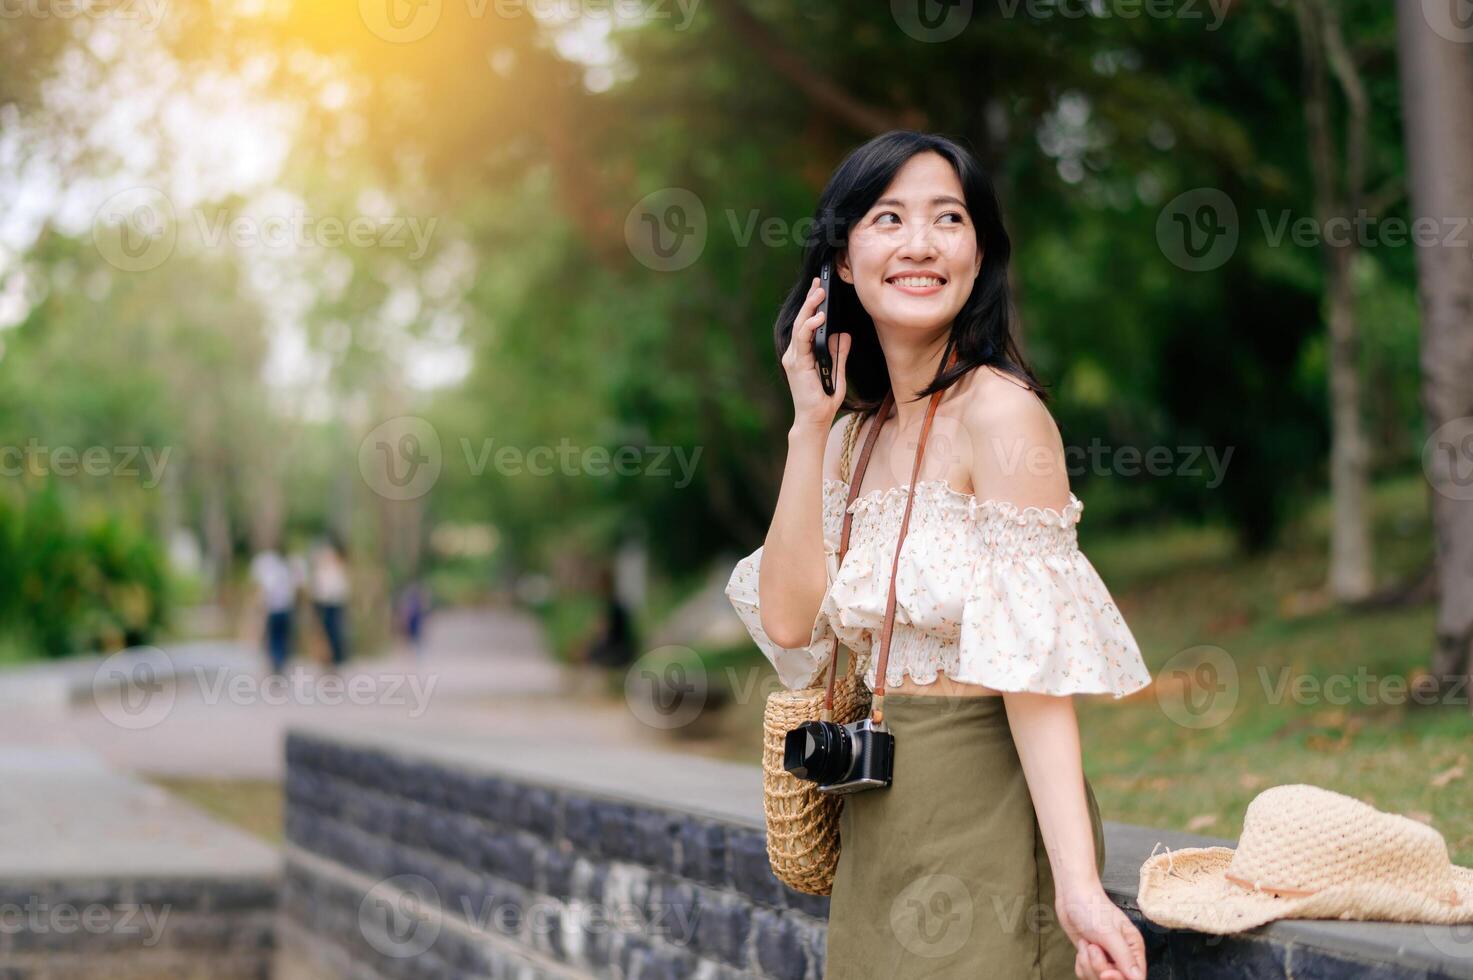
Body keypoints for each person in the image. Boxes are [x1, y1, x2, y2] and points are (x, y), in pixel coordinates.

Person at [723, 132, 1153, 980]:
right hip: (876, 817)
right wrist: (808, 428)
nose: (919, 243)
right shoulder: (851, 435)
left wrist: (1077, 887)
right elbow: (787, 621)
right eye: (888, 218)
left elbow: (1032, 672)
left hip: (983, 808)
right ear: (842, 262)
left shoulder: (1003, 416)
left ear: (978, 252)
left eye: (947, 218)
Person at [249, 544, 297, 674]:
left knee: (276, 638)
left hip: (276, 609)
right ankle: (278, 662)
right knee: (280, 638)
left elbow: (264, 591)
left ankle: (278, 662)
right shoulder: (286, 569)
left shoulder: (273, 571)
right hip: (283, 608)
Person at [309, 532, 351, 668]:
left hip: (334, 600)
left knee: (334, 630)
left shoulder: (337, 564)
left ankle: (335, 658)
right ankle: (327, 658)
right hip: (324, 600)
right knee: (326, 631)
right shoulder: (322, 563)